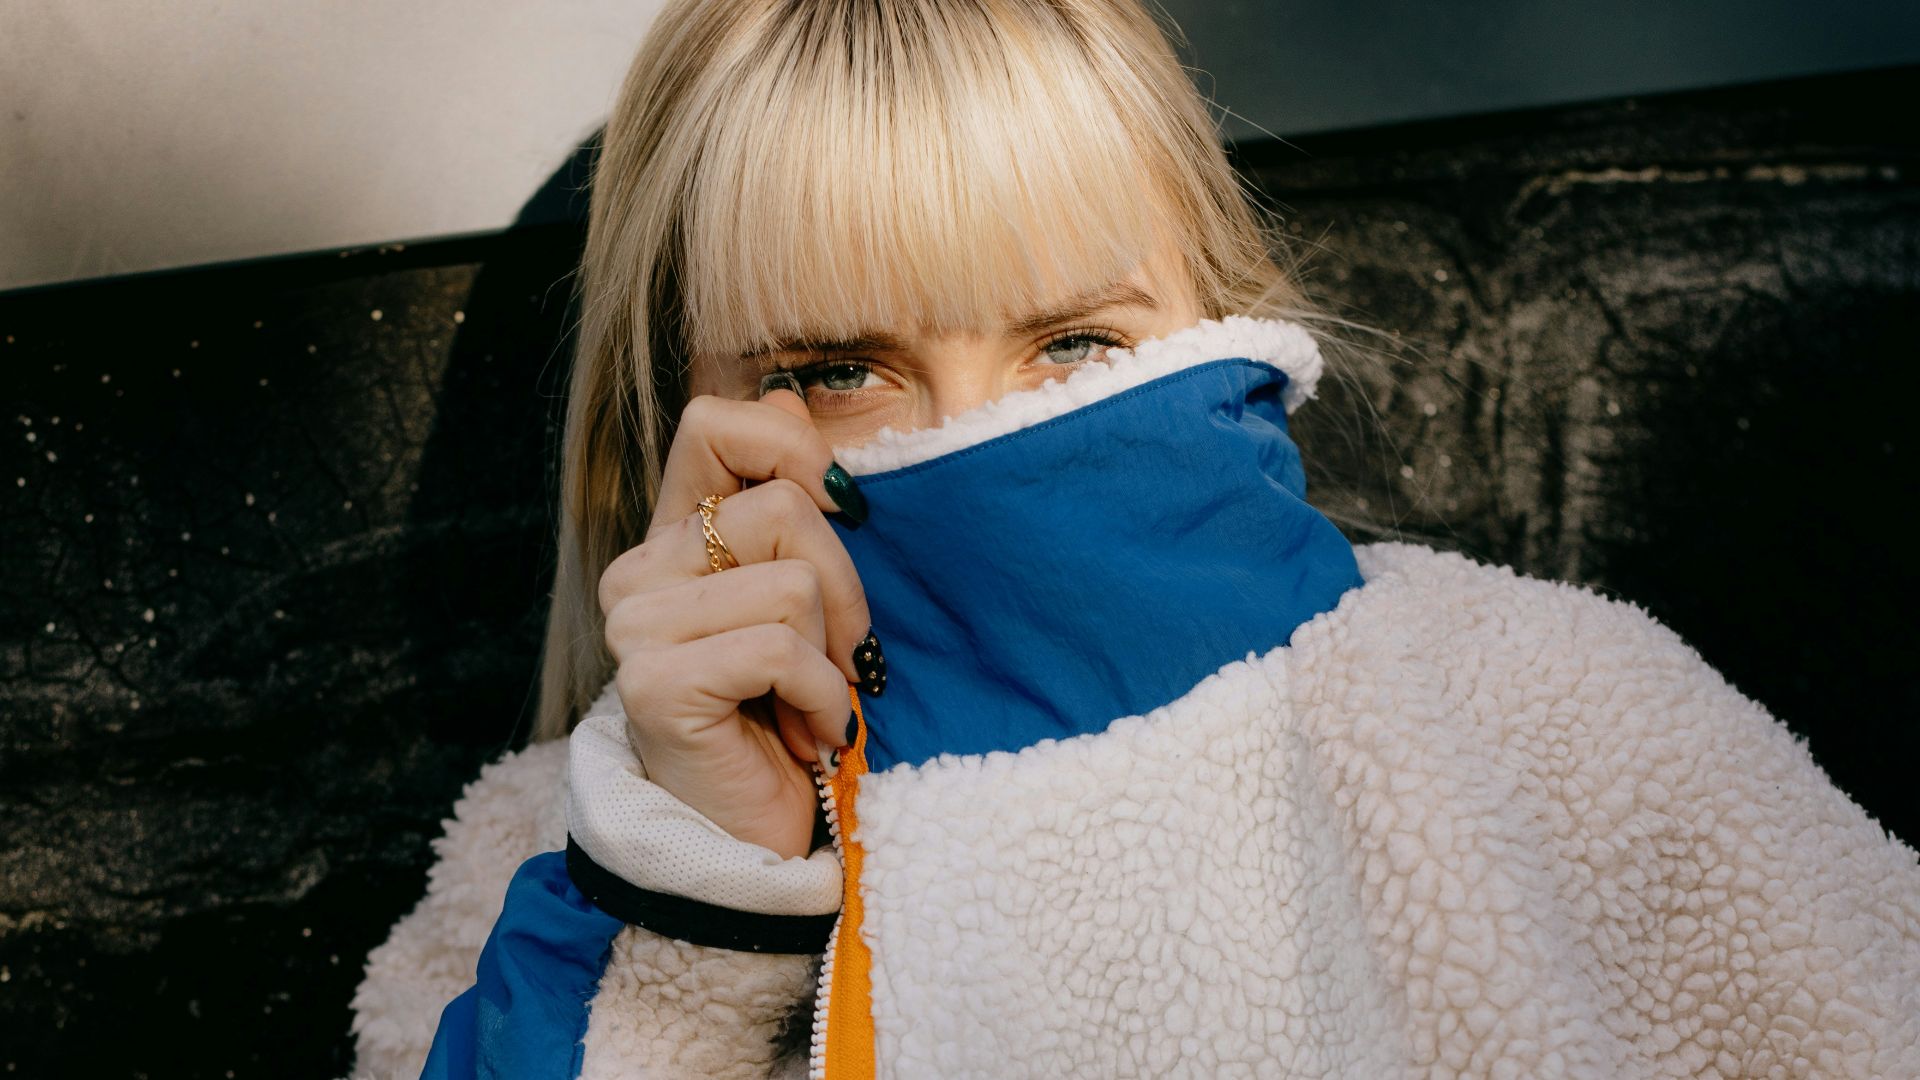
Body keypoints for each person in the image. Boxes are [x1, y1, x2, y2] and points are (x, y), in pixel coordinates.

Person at [346, 1, 1920, 1077]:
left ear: (1220, 312)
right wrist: (689, 894)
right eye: (835, 371)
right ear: (666, 426)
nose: (972, 433)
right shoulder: (554, 865)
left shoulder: (1546, 716)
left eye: (1076, 345)